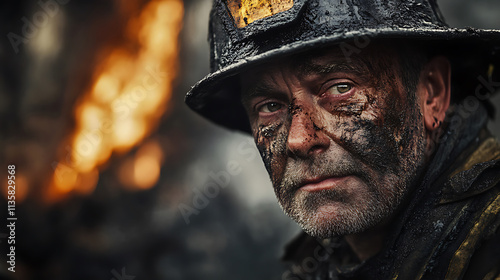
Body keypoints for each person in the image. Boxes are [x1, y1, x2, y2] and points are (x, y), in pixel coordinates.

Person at [185, 0, 500, 278]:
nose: (298, 140)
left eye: (339, 88)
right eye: (270, 106)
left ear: (431, 94)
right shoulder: (320, 262)